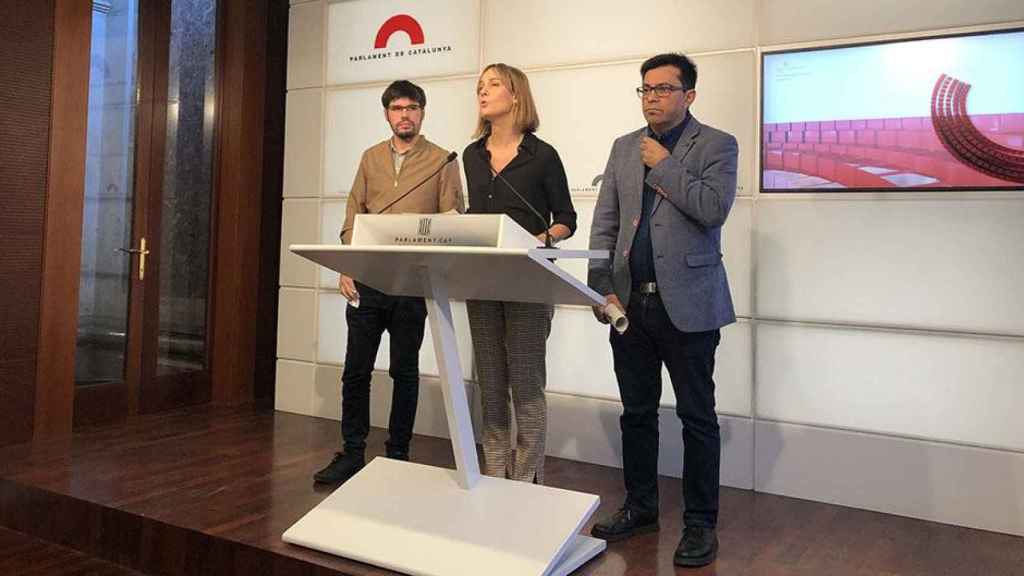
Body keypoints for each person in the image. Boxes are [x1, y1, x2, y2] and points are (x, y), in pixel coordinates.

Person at [587, 53, 738, 568]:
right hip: (630, 304)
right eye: (645, 89)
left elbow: (713, 209)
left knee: (697, 417)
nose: (652, 97)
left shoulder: (717, 145)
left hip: (690, 305)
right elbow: (605, 224)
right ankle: (642, 507)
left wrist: (665, 165)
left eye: (664, 89)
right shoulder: (623, 148)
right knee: (637, 414)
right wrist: (599, 288)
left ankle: (700, 524)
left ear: (689, 95)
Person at [314, 80, 464, 484]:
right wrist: (347, 264)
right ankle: (352, 452)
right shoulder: (370, 158)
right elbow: (352, 215)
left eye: (412, 108)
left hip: (412, 284)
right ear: (386, 114)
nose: (405, 115)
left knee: (405, 371)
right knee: (355, 371)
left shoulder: (442, 160)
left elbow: (456, 219)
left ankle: (397, 454)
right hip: (367, 280)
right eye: (397, 108)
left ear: (422, 113)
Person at [462, 63, 576, 484]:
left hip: (527, 280)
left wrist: (541, 239)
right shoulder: (471, 156)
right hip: (482, 280)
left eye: (493, 84)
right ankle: (493, 474)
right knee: (491, 383)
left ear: (516, 96)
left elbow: (567, 218)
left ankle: (526, 481)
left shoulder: (541, 155)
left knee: (526, 385)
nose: (483, 92)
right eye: (480, 86)